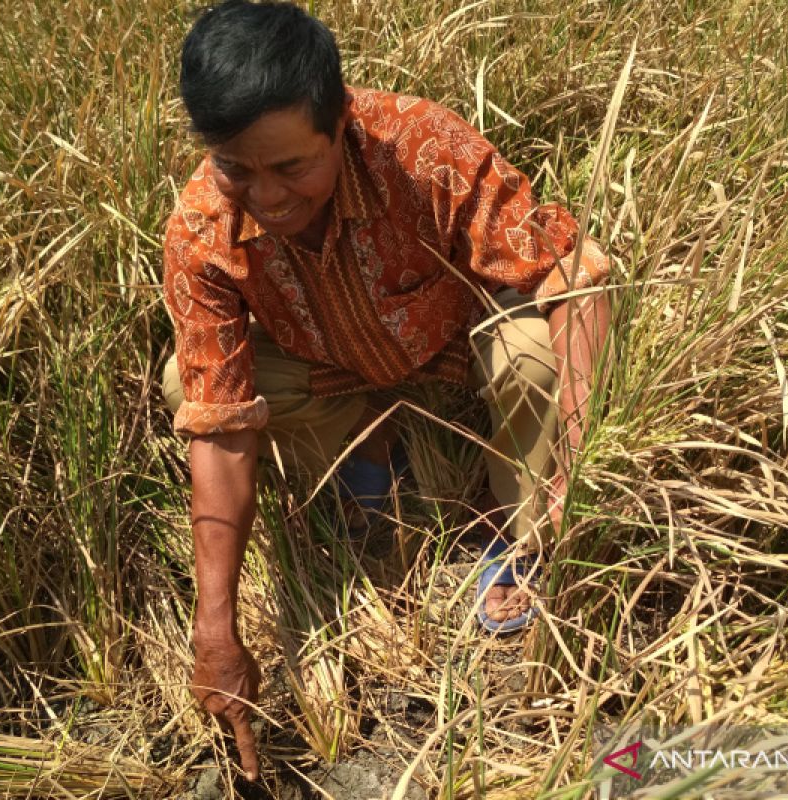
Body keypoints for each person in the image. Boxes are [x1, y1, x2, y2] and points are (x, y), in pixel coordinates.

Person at [161, 0, 611, 782]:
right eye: (239, 167)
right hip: (328, 368)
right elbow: (222, 425)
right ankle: (366, 449)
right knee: (184, 384)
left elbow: (577, 278)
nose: (266, 195)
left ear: (340, 124)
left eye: (292, 166)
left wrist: (574, 475)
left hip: (449, 349)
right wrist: (216, 630)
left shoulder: (421, 148)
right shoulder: (203, 228)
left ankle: (522, 531)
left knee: (534, 350)